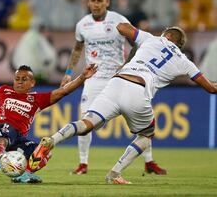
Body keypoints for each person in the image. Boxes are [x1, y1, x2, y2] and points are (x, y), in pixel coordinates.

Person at [30, 24, 217, 184]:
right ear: (179, 44)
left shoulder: (151, 39)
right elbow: (210, 88)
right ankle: (114, 174)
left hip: (117, 82)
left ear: (166, 36)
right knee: (146, 135)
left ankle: (52, 139)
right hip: (138, 90)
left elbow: (121, 27)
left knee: (87, 123)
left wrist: (133, 36)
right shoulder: (185, 61)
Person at [60, 0, 166, 175]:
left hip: (119, 78)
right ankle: (83, 164)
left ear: (107, 2)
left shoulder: (119, 20)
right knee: (85, 119)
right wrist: (69, 72)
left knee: (141, 120)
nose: (96, 4)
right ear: (88, 2)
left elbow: (138, 44)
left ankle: (149, 162)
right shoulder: (82, 25)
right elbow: (77, 49)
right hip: (93, 78)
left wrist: (127, 64)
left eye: (100, 0)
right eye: (93, 0)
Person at [0, 64, 97, 183]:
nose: (19, 82)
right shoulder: (3, 90)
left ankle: (23, 174)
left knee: (45, 152)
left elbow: (63, 91)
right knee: (6, 131)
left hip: (19, 140)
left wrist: (82, 77)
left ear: (32, 83)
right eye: (17, 79)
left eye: (24, 79)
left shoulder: (36, 99)